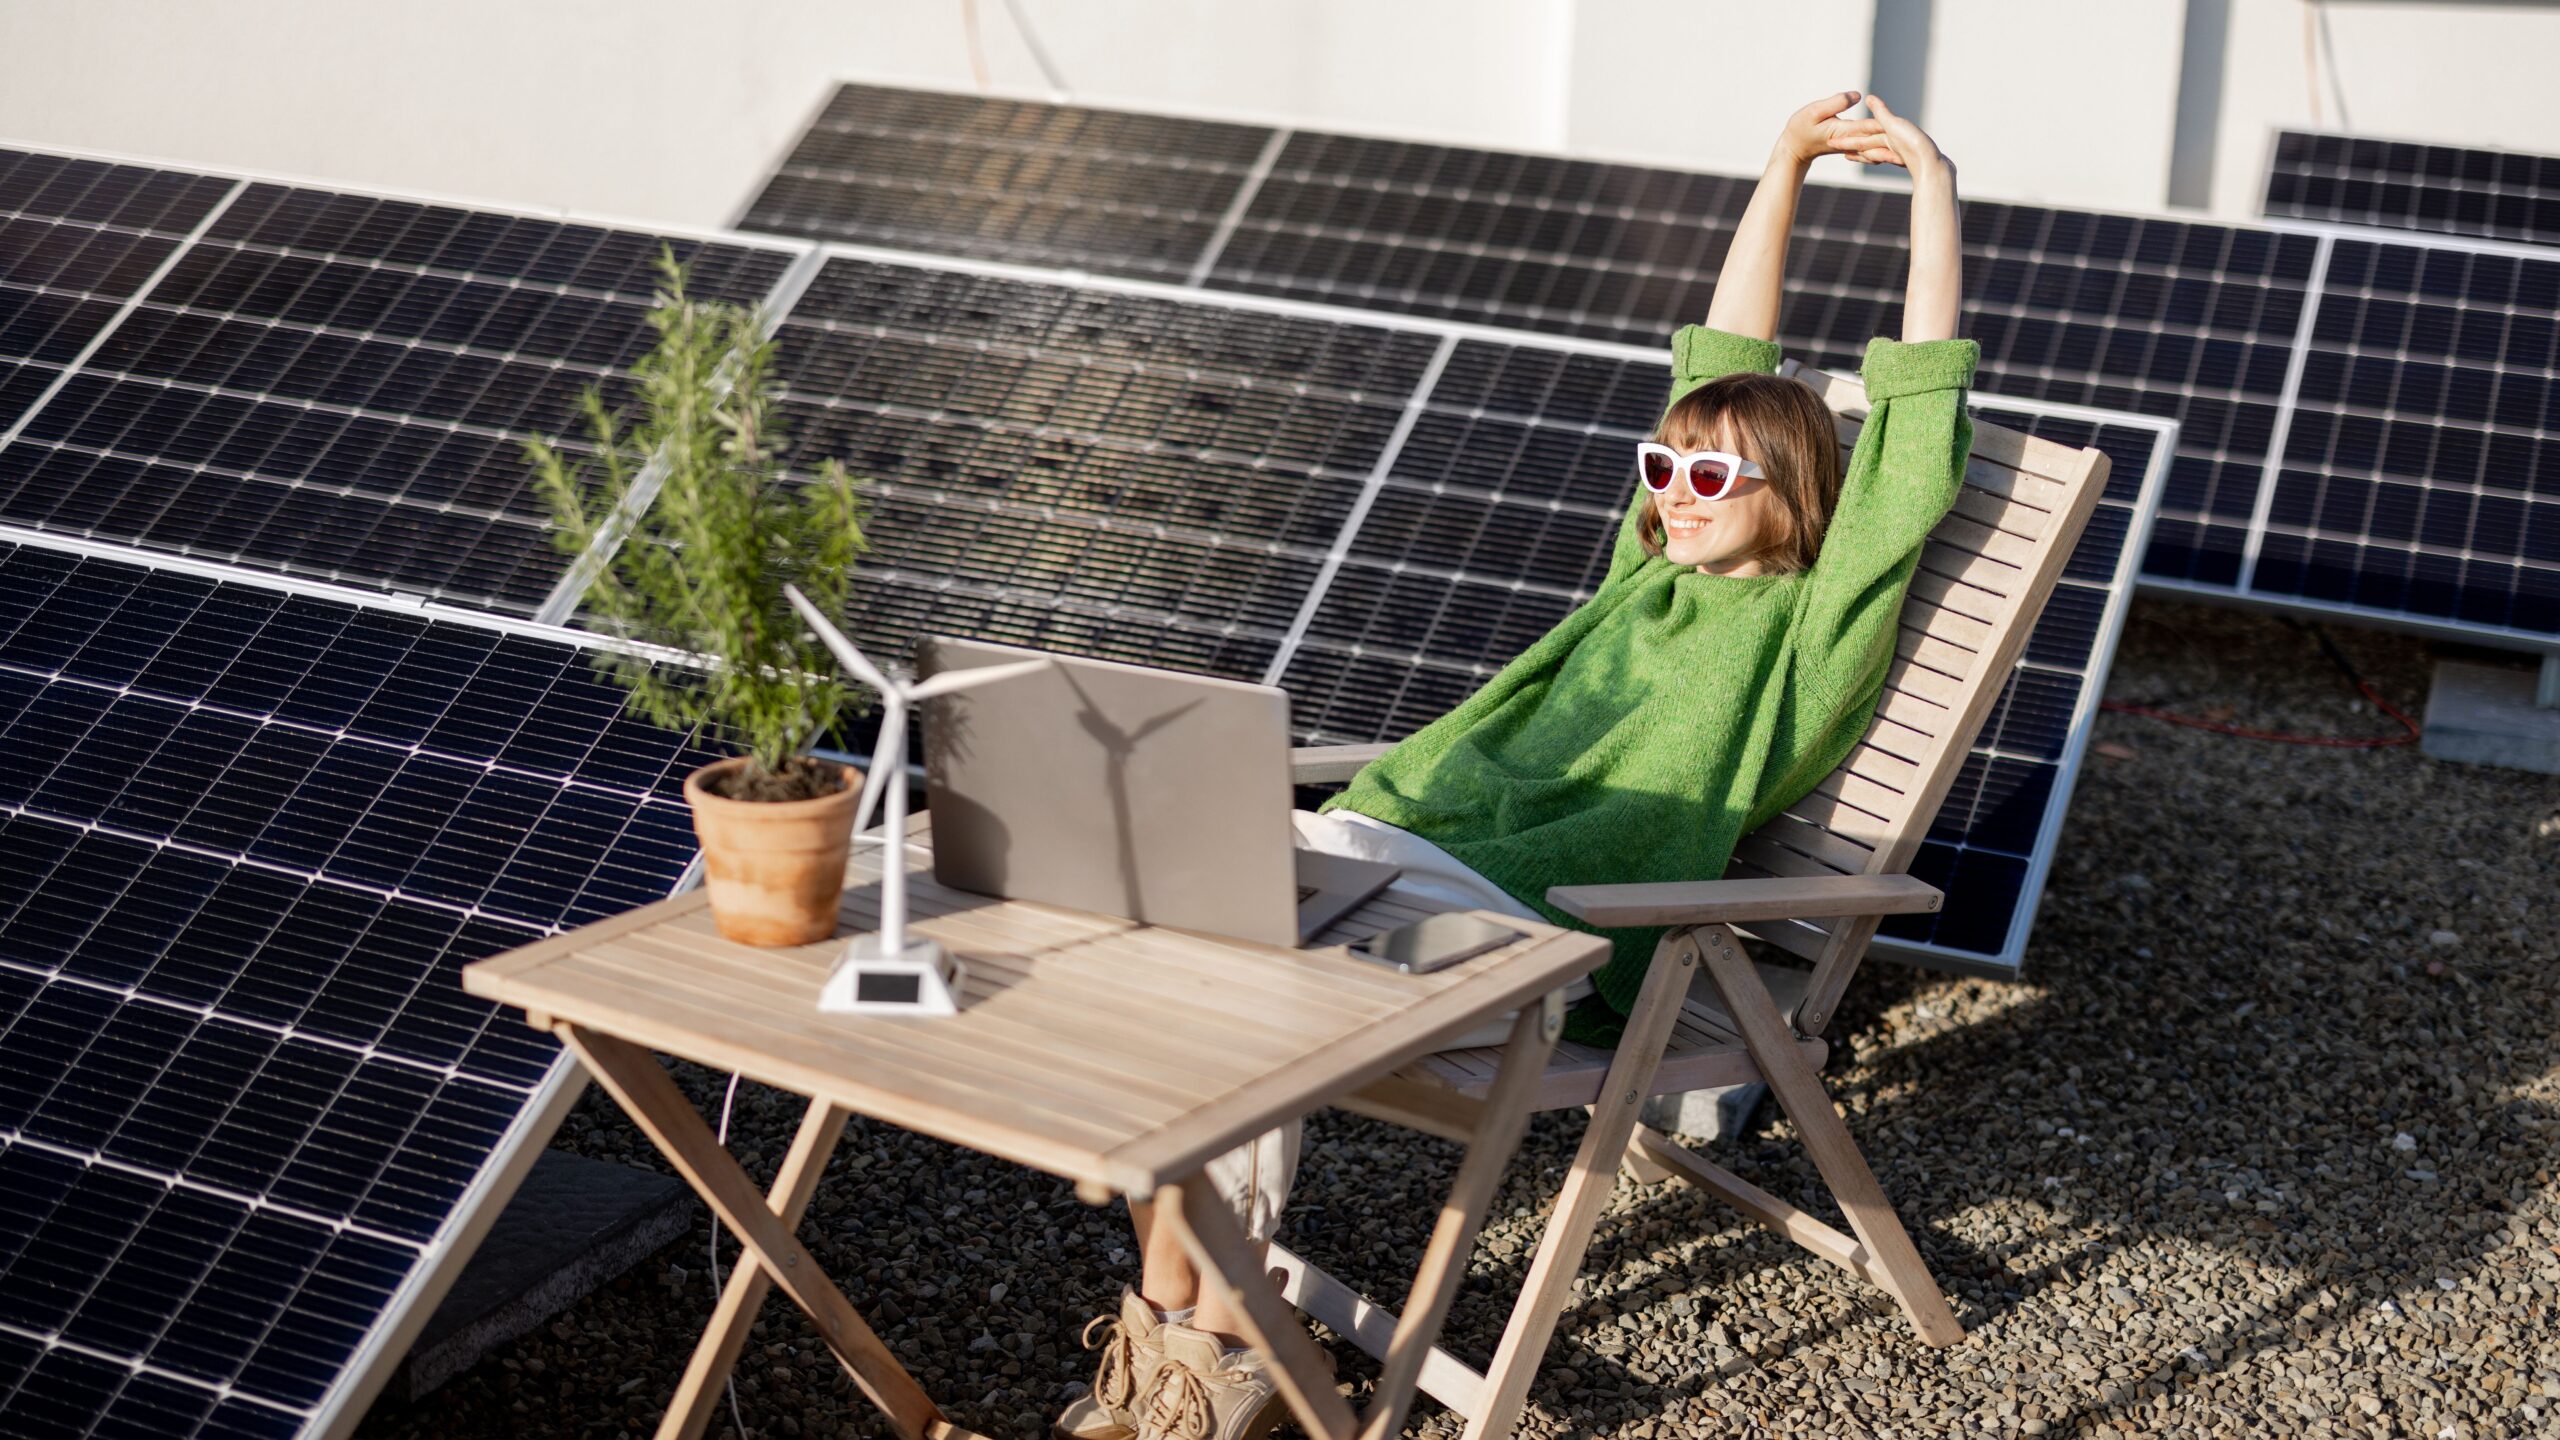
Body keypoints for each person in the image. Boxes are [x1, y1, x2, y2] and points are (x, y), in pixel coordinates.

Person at [1056, 90, 1977, 1440]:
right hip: (1389, 865)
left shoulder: (1811, 628)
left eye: (1715, 479)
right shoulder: (1644, 571)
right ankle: (1204, 1333)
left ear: (1799, 503)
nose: (1674, 492)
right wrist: (1778, 163)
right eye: (1666, 465)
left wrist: (1931, 183)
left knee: (1231, 968)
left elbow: (1919, 423)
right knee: (1187, 939)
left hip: (1524, 939)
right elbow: (1717, 355)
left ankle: (1204, 1342)